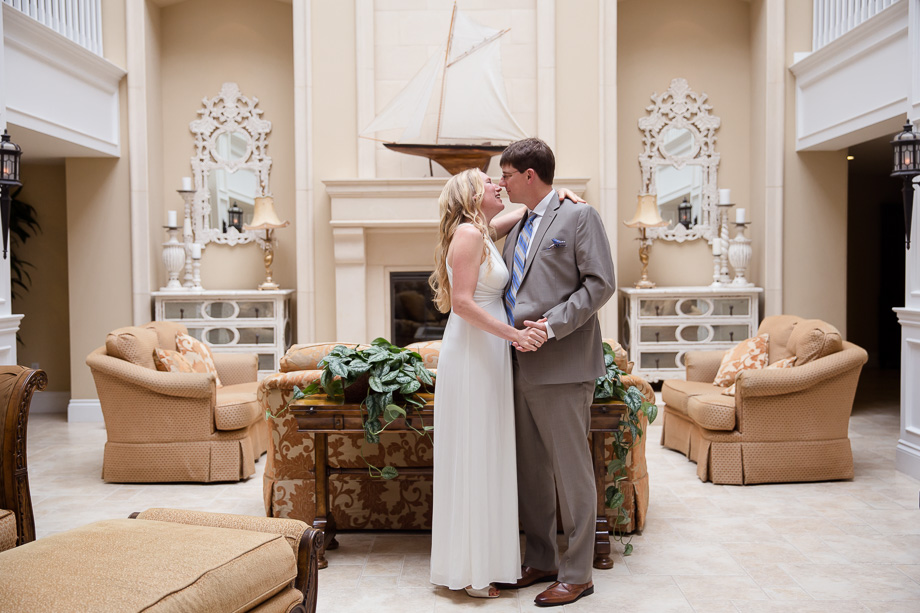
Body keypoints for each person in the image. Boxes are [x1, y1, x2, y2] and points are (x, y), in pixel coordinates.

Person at [428, 169, 584, 599]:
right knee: (476, 453)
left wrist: (558, 194)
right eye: (489, 182)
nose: (499, 183)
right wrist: (514, 334)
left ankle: (487, 563)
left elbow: (524, 212)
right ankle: (473, 576)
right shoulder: (468, 235)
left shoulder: (479, 228)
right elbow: (460, 303)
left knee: (490, 453)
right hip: (476, 353)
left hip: (490, 353)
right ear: (475, 195)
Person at [494, 138, 616, 607]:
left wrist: (553, 326)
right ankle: (541, 559)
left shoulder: (579, 216)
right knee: (532, 471)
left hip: (562, 362)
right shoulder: (518, 222)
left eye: (506, 175)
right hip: (517, 362)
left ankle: (579, 573)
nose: (501, 184)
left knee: (571, 472)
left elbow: (600, 283)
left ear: (529, 174)